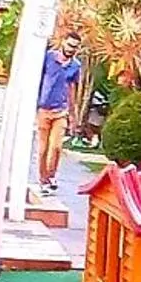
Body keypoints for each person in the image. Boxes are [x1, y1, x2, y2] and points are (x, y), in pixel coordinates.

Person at [34, 33, 85, 193]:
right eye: (69, 45)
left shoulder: (75, 65)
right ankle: (43, 179)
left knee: (56, 146)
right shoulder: (49, 57)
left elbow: (72, 89)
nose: (71, 49)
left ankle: (51, 176)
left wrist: (73, 114)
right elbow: (38, 79)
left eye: (75, 47)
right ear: (63, 42)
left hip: (61, 111)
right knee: (43, 149)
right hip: (44, 109)